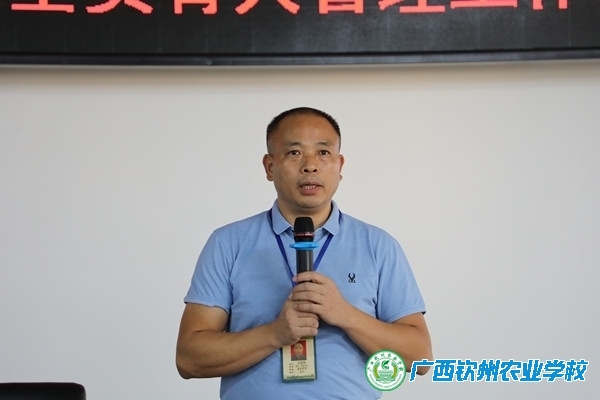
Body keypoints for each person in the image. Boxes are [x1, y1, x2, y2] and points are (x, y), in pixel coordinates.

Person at [176, 107, 432, 399]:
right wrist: (274, 334)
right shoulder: (227, 243)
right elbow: (188, 358)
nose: (310, 166)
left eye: (323, 153)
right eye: (294, 153)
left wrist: (345, 314)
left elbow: (420, 358)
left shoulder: (379, 246)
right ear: (270, 166)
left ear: (340, 165)